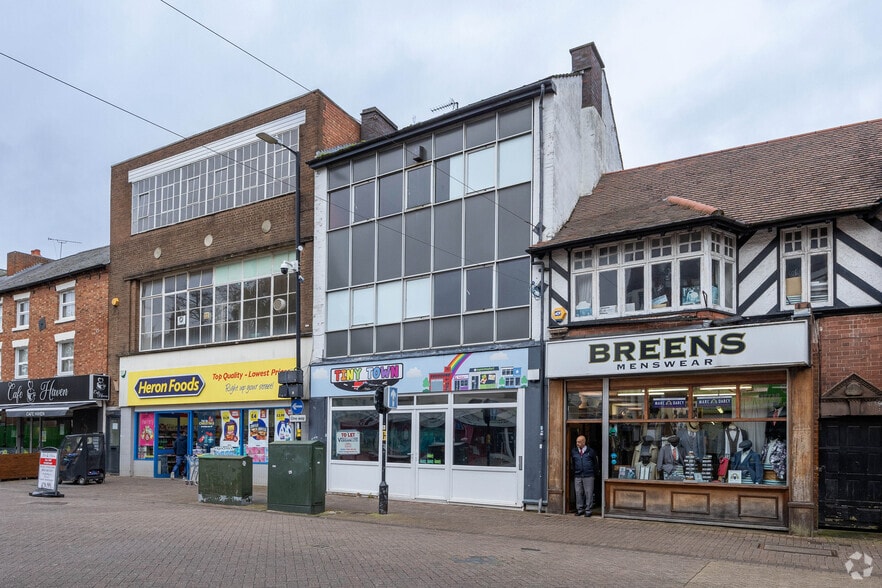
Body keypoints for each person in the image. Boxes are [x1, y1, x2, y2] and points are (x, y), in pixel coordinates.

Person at [571, 435, 598, 517]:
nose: (577, 443)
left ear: (584, 442)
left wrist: (594, 474)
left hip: (588, 475)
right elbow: (573, 463)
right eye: (576, 442)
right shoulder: (574, 451)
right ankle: (580, 509)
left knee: (588, 493)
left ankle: (588, 510)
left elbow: (595, 463)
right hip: (578, 475)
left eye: (579, 442)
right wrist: (574, 472)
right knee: (578, 492)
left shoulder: (591, 451)